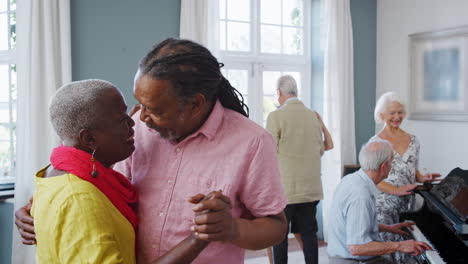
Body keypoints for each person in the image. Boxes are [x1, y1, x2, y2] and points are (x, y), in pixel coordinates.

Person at [17, 38, 288, 264]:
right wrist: (40, 207)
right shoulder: (134, 131)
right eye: (139, 104)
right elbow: (96, 181)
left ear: (195, 104)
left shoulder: (252, 142)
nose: (141, 117)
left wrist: (232, 228)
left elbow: (276, 226)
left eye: (155, 110)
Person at [29, 79, 227, 263]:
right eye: (121, 120)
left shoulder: (54, 175)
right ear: (89, 140)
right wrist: (197, 238)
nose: (134, 122)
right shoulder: (80, 199)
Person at [327, 140, 433, 264]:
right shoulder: (361, 196)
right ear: (383, 167)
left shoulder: (350, 179)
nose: (392, 167)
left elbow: (353, 225)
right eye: (391, 163)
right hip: (351, 260)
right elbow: (357, 248)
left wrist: (387, 228)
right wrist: (399, 245)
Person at [265, 75, 333, 264]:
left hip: (286, 190)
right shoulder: (313, 116)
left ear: (279, 93)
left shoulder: (275, 116)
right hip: (311, 189)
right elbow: (320, 150)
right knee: (309, 234)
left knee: (280, 236)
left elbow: (268, 152)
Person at [371, 92, 440, 263]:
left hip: (408, 206)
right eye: (392, 113)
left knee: (411, 253)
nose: (397, 117)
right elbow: (374, 179)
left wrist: (423, 178)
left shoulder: (414, 140)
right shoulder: (376, 143)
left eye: (400, 112)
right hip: (384, 208)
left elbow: (412, 170)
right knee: (389, 254)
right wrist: (397, 190)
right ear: (382, 115)